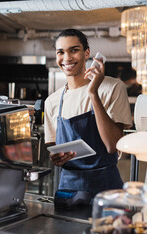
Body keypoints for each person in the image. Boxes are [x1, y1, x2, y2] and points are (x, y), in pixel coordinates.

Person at [44, 29, 132, 197]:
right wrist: (57, 159)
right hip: (68, 189)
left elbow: (113, 145)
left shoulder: (112, 87)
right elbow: (55, 149)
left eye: (74, 50)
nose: (67, 58)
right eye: (60, 52)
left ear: (87, 53)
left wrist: (93, 93)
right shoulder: (52, 102)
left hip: (106, 188)